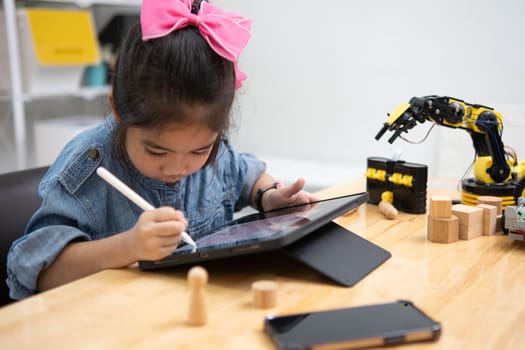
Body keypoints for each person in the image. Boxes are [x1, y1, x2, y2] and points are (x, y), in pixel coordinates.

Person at [6, 0, 318, 300]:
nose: (178, 168)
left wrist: (270, 197)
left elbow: (246, 173)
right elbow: (34, 271)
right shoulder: (86, 167)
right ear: (117, 109)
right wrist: (128, 247)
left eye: (199, 151)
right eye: (157, 152)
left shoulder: (213, 151)